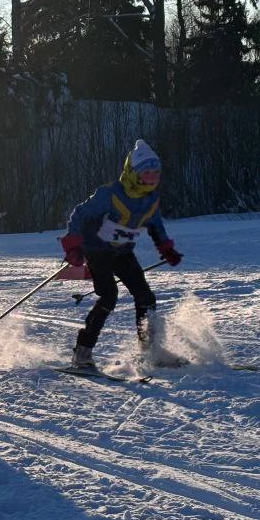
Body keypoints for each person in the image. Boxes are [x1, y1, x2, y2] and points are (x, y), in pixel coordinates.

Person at [61, 139, 183, 370]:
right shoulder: (110, 194)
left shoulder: (151, 200)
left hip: (123, 253)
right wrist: (74, 245)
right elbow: (79, 215)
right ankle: (82, 353)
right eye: (146, 173)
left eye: (155, 173)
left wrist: (166, 248)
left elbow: (155, 225)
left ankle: (151, 351)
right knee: (109, 296)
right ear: (133, 173)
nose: (152, 178)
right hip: (97, 251)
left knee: (146, 297)